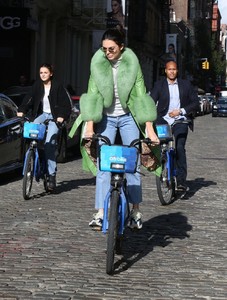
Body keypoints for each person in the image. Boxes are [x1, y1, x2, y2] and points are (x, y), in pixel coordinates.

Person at [79, 28, 160, 230]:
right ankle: (100, 213)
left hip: (128, 117)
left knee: (132, 161)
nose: (107, 53)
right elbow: (93, 94)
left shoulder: (132, 64)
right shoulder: (97, 64)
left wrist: (149, 128)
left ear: (121, 47)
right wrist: (89, 126)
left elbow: (141, 95)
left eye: (111, 49)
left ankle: (135, 211)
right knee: (103, 165)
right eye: (104, 49)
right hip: (106, 117)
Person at [17, 63, 71, 191]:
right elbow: (28, 99)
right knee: (32, 130)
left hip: (54, 116)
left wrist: (61, 116)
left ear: (51, 73)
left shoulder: (57, 86)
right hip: (41, 115)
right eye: (41, 73)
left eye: (45, 72)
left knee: (49, 144)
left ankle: (51, 175)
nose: (43, 75)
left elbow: (65, 104)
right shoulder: (37, 85)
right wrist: (22, 110)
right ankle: (33, 154)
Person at [150, 60, 200, 191]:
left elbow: (196, 103)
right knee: (162, 146)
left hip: (180, 120)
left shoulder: (186, 85)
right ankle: (163, 169)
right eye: (169, 69)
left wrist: (181, 111)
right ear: (165, 71)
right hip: (163, 121)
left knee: (179, 147)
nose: (172, 71)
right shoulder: (159, 85)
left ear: (177, 71)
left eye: (174, 69)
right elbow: (151, 102)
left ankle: (181, 181)